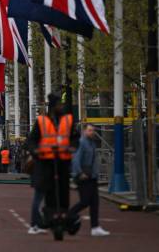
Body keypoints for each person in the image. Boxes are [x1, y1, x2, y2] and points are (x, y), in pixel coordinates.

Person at [27, 93, 79, 231]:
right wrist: (35, 150)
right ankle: (40, 220)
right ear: (53, 106)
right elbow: (32, 140)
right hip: (45, 163)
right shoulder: (42, 121)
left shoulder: (68, 120)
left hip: (62, 162)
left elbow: (74, 137)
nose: (61, 106)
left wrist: (73, 146)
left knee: (63, 191)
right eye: (59, 104)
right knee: (46, 193)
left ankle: (63, 215)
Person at [69, 124, 109, 237]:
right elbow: (76, 159)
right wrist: (79, 173)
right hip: (84, 176)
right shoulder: (81, 143)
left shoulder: (92, 143)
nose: (92, 132)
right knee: (85, 201)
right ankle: (69, 214)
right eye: (90, 130)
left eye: (93, 130)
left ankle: (95, 227)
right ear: (84, 131)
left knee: (95, 202)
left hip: (92, 176)